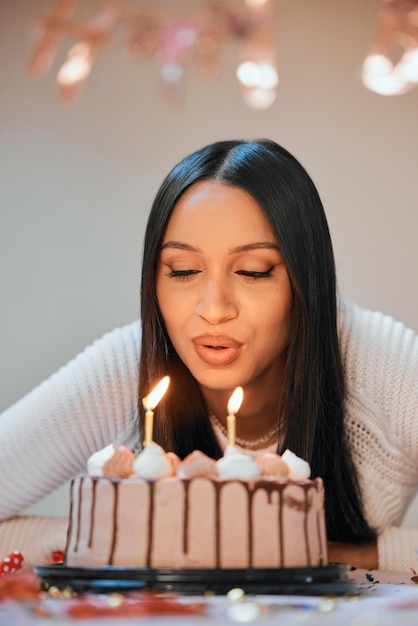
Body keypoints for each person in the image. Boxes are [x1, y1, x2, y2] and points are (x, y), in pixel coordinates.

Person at [0, 139, 417, 574]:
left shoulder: (380, 361)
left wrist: (332, 553)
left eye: (253, 271)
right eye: (183, 271)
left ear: (306, 279)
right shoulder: (129, 366)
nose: (214, 309)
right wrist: (116, 537)